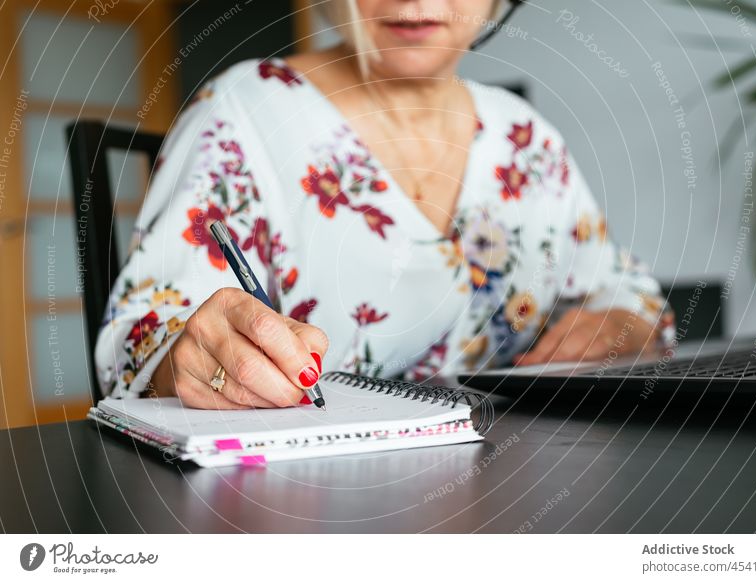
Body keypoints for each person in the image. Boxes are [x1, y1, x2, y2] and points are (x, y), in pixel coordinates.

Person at [95, 0, 675, 410]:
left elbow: (622, 288)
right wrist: (189, 359)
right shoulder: (242, 114)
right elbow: (138, 345)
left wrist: (626, 322)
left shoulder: (526, 137)